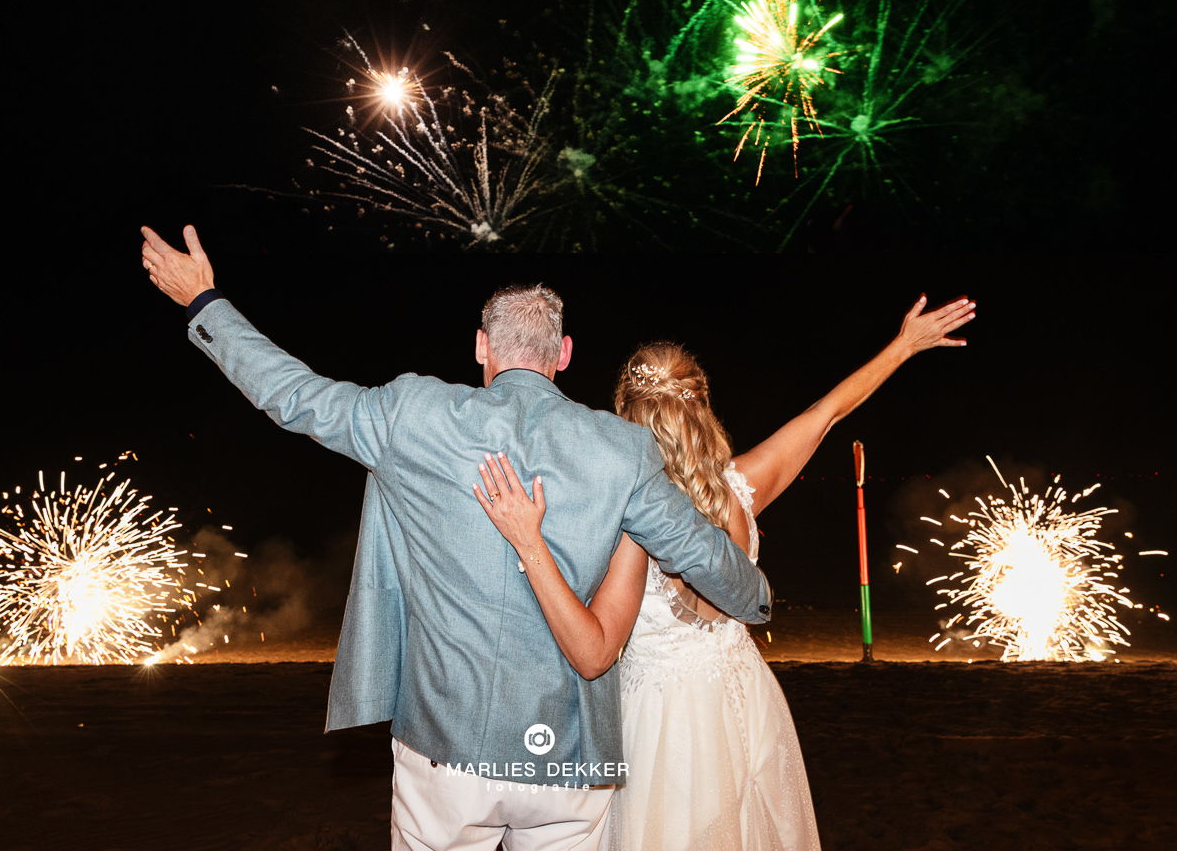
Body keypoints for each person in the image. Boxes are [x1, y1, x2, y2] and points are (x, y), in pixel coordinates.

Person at [138, 224, 775, 851]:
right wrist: (758, 599)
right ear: (564, 354)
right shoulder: (623, 449)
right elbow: (702, 554)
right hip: (564, 762)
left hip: (446, 754)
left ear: (481, 347)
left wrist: (203, 301)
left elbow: (294, 395)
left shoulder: (410, 413)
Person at [474, 294, 976, 851]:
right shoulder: (742, 486)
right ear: (703, 406)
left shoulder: (619, 518)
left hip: (654, 721)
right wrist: (904, 346)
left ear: (626, 419)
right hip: (742, 703)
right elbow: (826, 413)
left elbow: (587, 640)